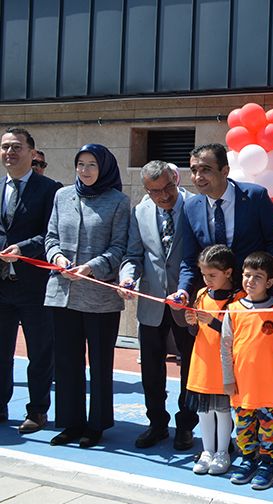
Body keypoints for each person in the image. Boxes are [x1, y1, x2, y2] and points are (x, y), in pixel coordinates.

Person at [44, 143, 130, 448]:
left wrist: (92, 267)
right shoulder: (62, 195)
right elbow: (51, 236)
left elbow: (119, 246)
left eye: (92, 164)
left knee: (100, 361)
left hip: (99, 296)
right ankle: (70, 423)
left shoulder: (118, 201)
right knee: (66, 362)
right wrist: (57, 258)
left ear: (104, 167)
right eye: (81, 164)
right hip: (63, 291)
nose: (85, 170)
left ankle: (96, 425)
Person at [119, 160, 197, 451]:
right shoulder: (140, 211)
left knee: (191, 367)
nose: (164, 196)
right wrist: (127, 279)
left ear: (175, 179)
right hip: (152, 301)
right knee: (151, 369)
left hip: (187, 302)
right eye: (155, 191)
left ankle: (186, 425)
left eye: (168, 187)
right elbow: (132, 255)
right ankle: (157, 423)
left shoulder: (195, 205)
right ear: (146, 191)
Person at [0, 128, 62, 434]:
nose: (9, 153)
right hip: (1, 286)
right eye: (5, 147)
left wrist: (23, 249)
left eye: (16, 147)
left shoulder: (50, 189)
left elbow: (51, 234)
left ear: (32, 152)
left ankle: (37, 411)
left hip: (35, 285)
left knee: (39, 352)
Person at [172, 143, 273, 303]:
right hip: (213, 301)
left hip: (255, 297)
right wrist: (183, 290)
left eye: (205, 169)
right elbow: (190, 258)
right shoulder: (190, 207)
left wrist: (261, 276)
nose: (198, 176)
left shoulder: (255, 197)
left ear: (225, 171)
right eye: (194, 170)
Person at [220, 251, 273, 490]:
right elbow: (225, 347)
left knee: (268, 426)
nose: (250, 281)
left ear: (269, 282)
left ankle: (268, 464)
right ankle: (248, 459)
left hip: (268, 384)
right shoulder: (234, 309)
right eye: (247, 275)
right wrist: (228, 379)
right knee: (244, 425)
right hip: (242, 384)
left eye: (257, 276)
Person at [184, 244, 243, 476]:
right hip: (202, 363)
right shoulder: (200, 295)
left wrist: (213, 322)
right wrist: (191, 323)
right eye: (203, 274)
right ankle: (207, 450)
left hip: (223, 365)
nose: (207, 280)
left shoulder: (238, 299)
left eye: (212, 275)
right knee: (204, 411)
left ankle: (223, 452)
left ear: (228, 272)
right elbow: (196, 332)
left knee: (222, 410)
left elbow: (236, 334)